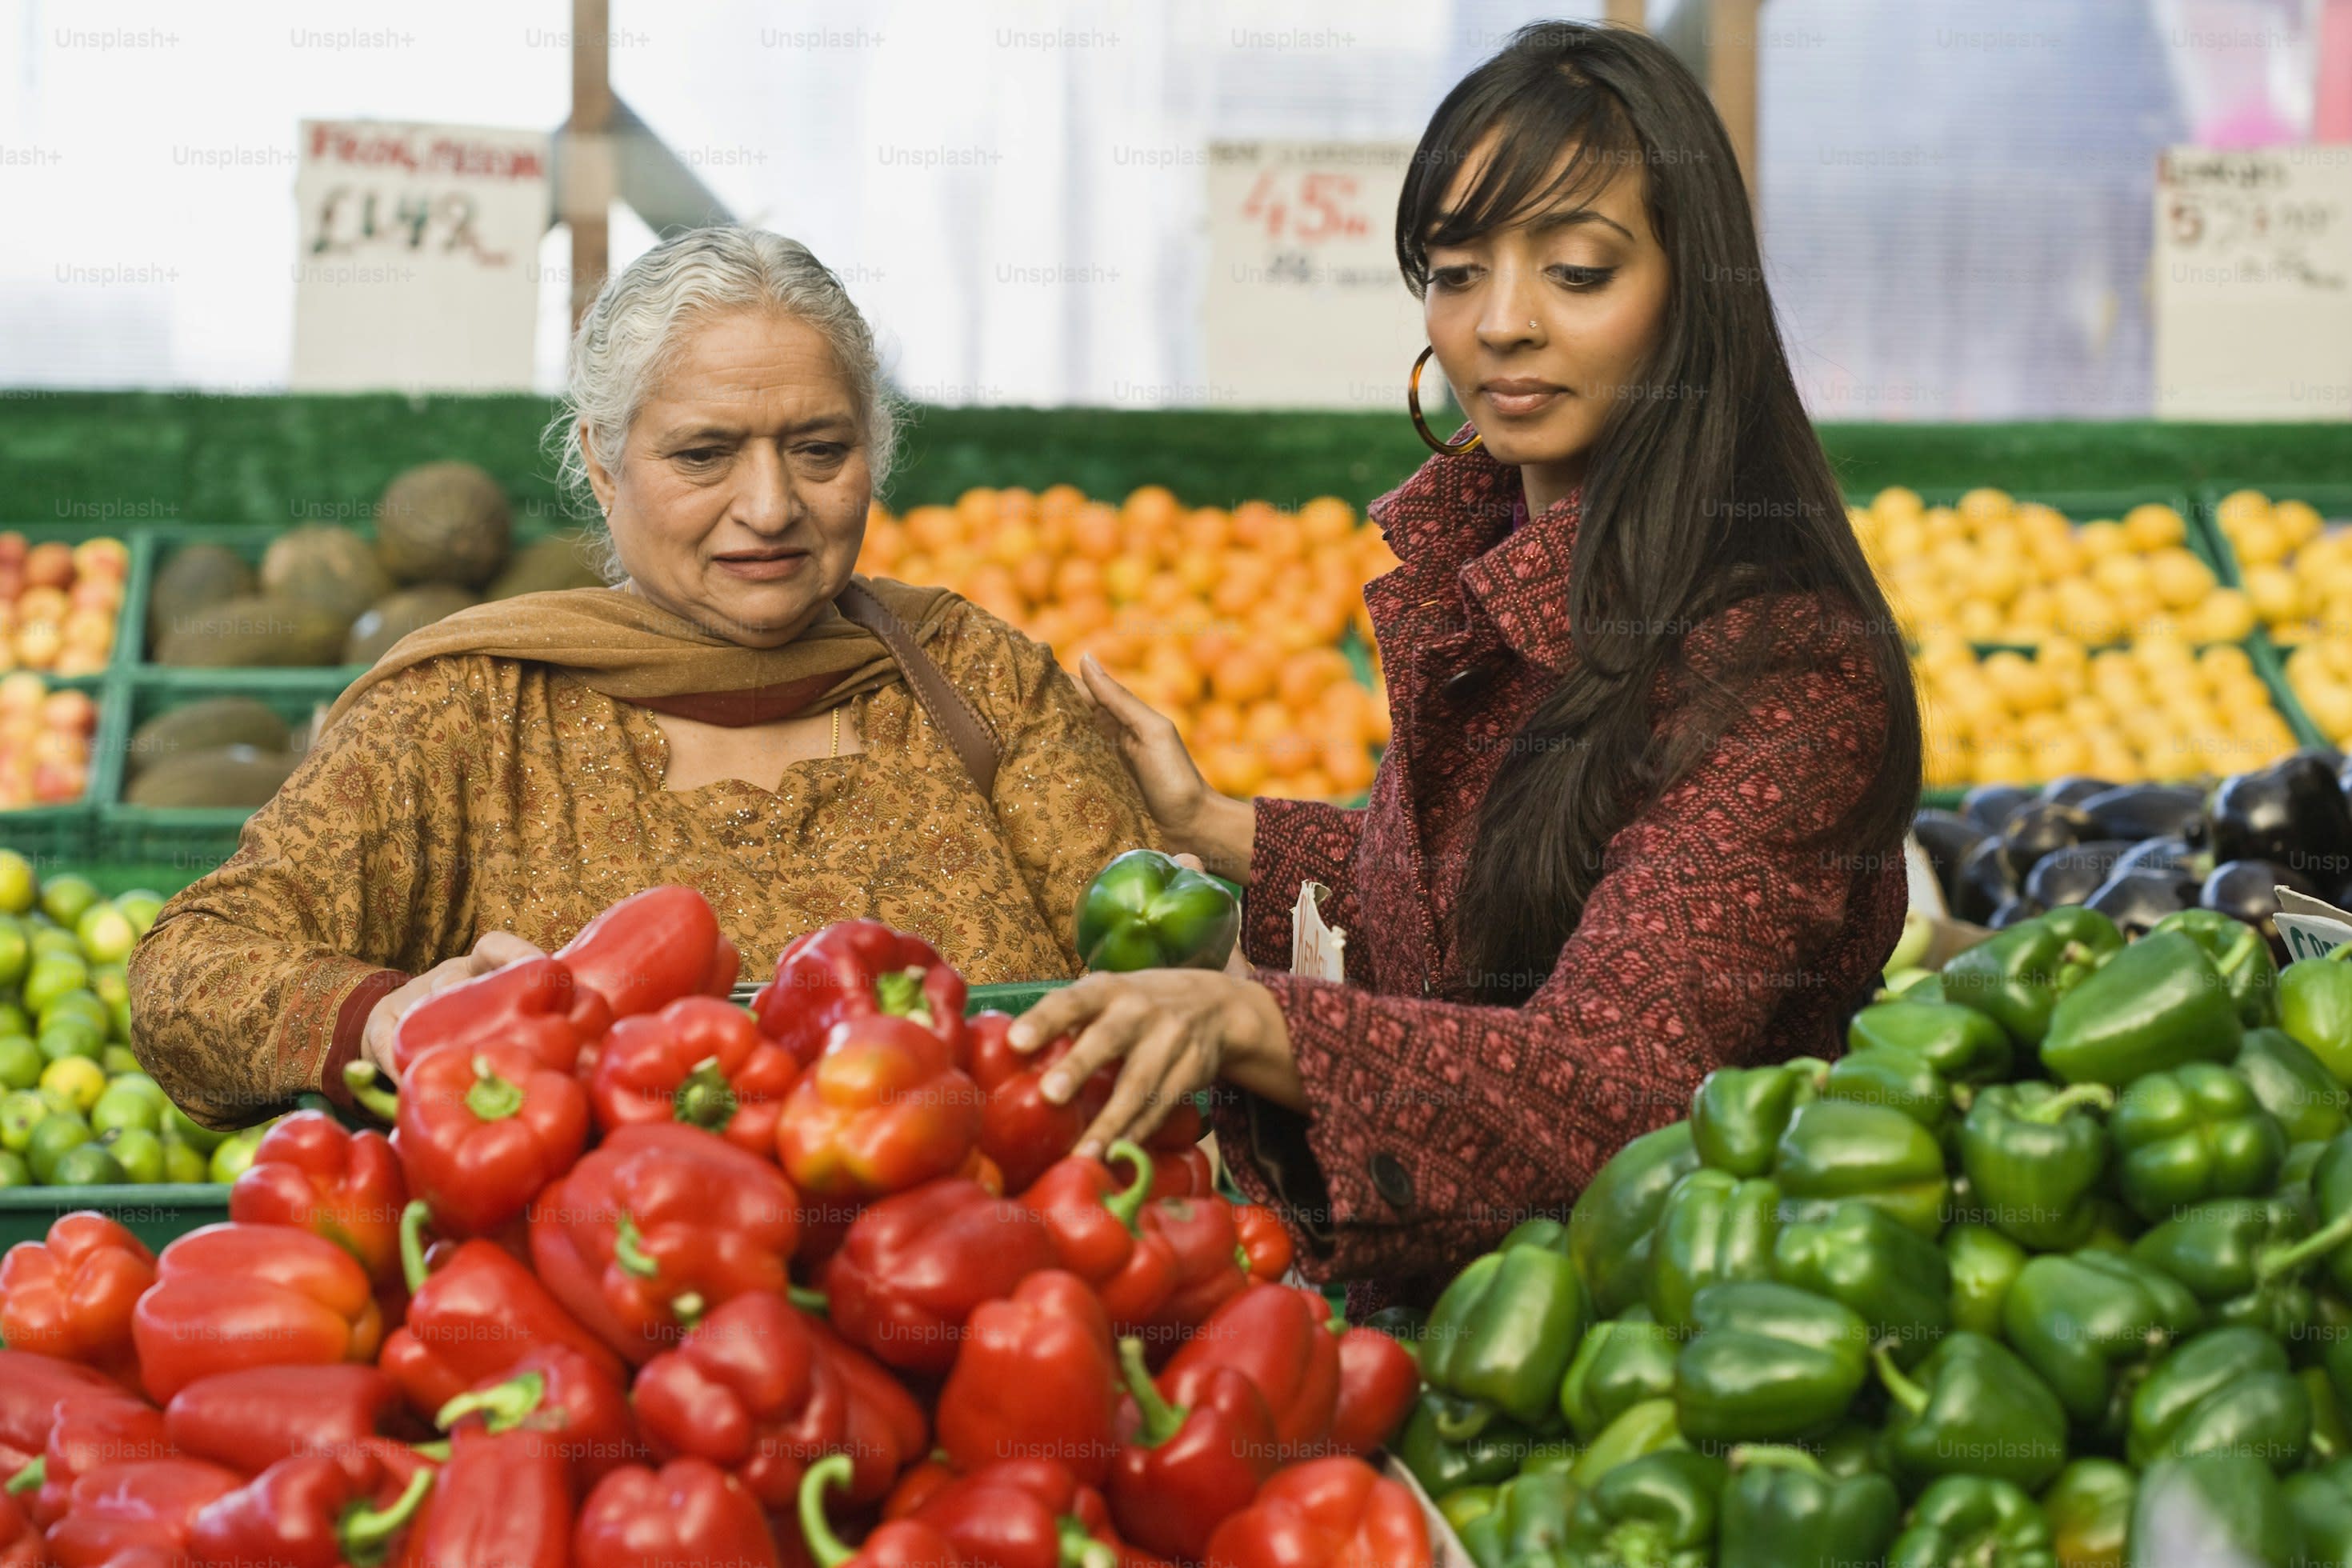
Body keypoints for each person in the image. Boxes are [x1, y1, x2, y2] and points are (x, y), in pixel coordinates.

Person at [1011, 21, 1922, 1301]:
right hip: (1471, 1302)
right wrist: (1211, 824)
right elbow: (1470, 907)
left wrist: (1251, 1018)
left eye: (1579, 272)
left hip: (1666, 1342)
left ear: (1693, 290)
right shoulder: (1497, 545)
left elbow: (1626, 1090)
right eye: (1453, 271)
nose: (1500, 325)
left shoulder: (1782, 665)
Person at [130, 227, 1158, 1128]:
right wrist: (381, 1015)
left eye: (818, 449)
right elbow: (188, 971)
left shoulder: (973, 680)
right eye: (704, 454)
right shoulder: (468, 715)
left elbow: (1170, 986)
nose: (769, 505)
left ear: (873, 454)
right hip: (609, 1311)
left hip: (981, 1291)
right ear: (603, 462)